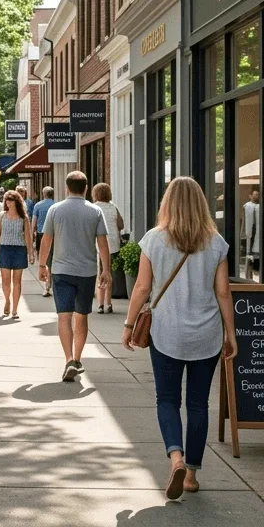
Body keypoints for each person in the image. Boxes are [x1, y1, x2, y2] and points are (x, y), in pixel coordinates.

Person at [122, 177, 237, 501]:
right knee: (199, 404)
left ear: (167, 203)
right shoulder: (216, 243)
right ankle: (192, 475)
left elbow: (142, 288)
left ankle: (176, 457)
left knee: (167, 400)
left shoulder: (154, 240)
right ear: (201, 203)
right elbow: (224, 292)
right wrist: (232, 333)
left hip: (167, 333)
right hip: (206, 335)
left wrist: (129, 324)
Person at [38, 170, 111, 382]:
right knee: (81, 315)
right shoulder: (95, 211)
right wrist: (106, 270)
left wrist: (42, 265)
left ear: (66, 188)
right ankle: (78, 359)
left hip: (61, 271)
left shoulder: (55, 209)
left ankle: (68, 359)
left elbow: (46, 240)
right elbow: (103, 243)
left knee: (64, 316)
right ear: (86, 188)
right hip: (87, 272)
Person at [0, 189, 36, 319]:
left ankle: (15, 309)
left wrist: (31, 253)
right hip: (4, 249)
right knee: (5, 281)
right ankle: (7, 301)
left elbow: (28, 237)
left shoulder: (24, 218)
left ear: (17, 201)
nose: (8, 202)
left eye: (10, 200)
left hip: (19, 250)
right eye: (6, 200)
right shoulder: (1, 215)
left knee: (17, 281)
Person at [92, 182, 124, 314]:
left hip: (98, 245)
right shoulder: (114, 208)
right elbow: (121, 225)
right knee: (108, 272)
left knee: (101, 273)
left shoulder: (94, 208)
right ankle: (109, 303)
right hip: (113, 245)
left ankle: (100, 304)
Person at [31, 186, 55, 298]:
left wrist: (31, 234)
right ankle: (52, 283)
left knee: (43, 260)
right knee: (53, 260)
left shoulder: (38, 205)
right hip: (55, 236)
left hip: (42, 235)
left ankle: (47, 286)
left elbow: (34, 221)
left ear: (43, 194)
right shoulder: (56, 206)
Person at [242, 187, 260, 279]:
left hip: (256, 232)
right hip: (250, 233)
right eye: (255, 195)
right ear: (250, 196)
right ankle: (249, 275)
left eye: (257, 195)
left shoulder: (258, 207)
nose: (257, 196)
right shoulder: (248, 206)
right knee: (250, 255)